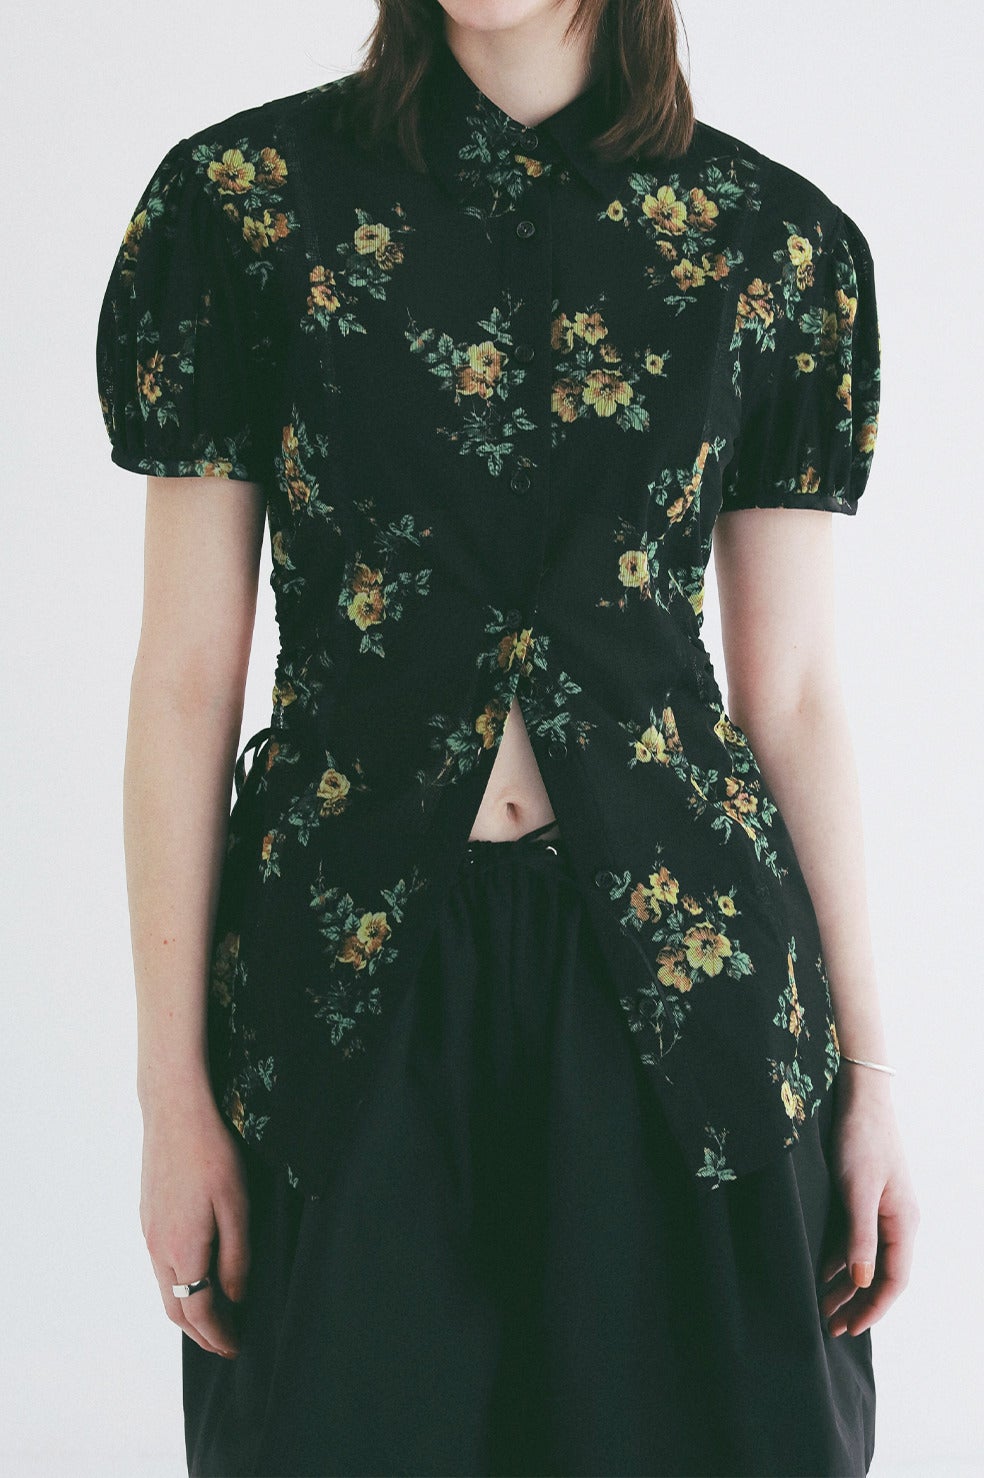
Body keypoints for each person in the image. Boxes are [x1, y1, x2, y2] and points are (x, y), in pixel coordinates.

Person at [95, 1, 920, 1474]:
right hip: (340, 993)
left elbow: (792, 691)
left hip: (691, 1004)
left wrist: (876, 1077)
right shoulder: (246, 206)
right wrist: (172, 1096)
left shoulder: (771, 242)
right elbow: (182, 682)